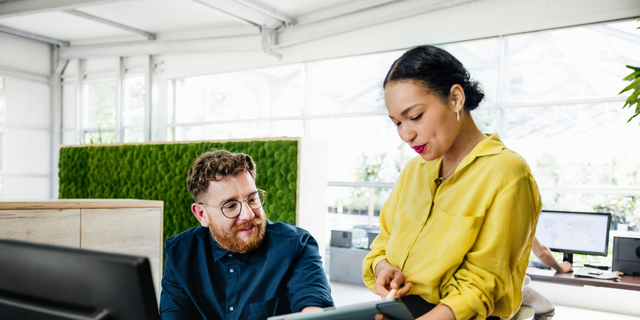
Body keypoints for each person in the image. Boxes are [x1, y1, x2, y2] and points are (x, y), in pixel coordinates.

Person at [362, 45, 542, 320]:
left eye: (415, 117)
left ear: (456, 98)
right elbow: (383, 243)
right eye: (397, 123)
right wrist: (383, 268)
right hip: (399, 310)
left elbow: (483, 282)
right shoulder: (414, 170)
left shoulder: (508, 172)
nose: (406, 134)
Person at [160, 150, 334, 319]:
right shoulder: (180, 253)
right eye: (230, 206)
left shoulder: (297, 245)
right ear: (202, 214)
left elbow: (314, 307)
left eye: (252, 199)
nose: (248, 214)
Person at [518, 237, 573, 320]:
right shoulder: (519, 224)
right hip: (506, 292)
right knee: (549, 309)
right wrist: (560, 268)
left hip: (491, 293)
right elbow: (542, 253)